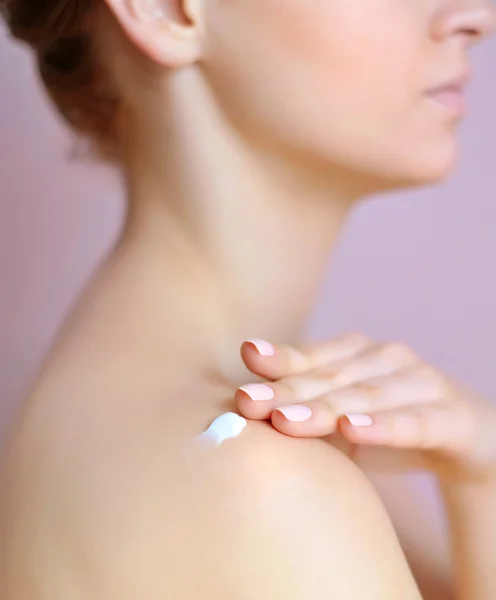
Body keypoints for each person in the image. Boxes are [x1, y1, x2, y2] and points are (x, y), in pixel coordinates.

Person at [0, 0, 495, 598]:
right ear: (165, 11)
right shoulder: (262, 481)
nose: (475, 15)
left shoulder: (284, 447)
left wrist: (483, 483)